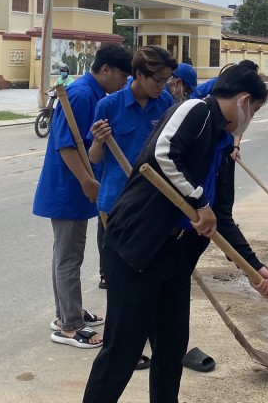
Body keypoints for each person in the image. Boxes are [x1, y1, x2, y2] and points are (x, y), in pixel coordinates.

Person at [81, 64, 268, 403]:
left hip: (174, 256)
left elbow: (221, 217)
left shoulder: (222, 143)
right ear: (244, 100)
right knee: (122, 352)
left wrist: (253, 266)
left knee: (171, 350)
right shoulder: (195, 110)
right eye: (255, 110)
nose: (251, 117)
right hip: (135, 249)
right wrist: (198, 201)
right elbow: (162, 154)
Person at [32, 44, 133, 349]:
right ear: (106, 70)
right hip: (69, 187)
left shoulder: (91, 93)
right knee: (69, 256)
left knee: (66, 253)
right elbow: (65, 145)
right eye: (122, 75)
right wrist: (87, 181)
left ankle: (67, 311)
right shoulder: (80, 94)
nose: (123, 82)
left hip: (75, 186)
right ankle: (69, 326)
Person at [87, 46, 176, 370]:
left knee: (150, 277)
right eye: (158, 79)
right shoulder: (109, 105)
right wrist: (98, 140)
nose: (162, 86)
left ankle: (154, 340)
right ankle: (122, 346)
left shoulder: (165, 104)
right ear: (138, 75)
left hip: (152, 205)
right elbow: (94, 158)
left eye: (167, 80)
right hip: (115, 208)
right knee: (119, 280)